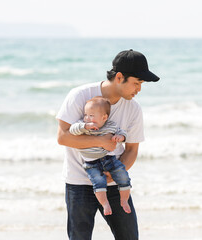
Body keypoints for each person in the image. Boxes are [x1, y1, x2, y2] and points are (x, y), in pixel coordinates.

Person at [56, 49, 160, 240]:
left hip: (115, 184)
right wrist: (100, 141)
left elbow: (131, 150)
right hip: (79, 182)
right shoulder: (80, 96)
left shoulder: (134, 109)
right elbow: (62, 137)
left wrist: (112, 176)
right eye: (136, 83)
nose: (139, 89)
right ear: (119, 77)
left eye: (141, 84)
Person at [69, 96, 131, 216]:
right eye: (86, 114)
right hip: (91, 163)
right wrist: (84, 126)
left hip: (109, 159)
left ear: (104, 117)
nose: (87, 118)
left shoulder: (111, 125)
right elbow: (72, 130)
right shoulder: (83, 126)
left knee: (123, 175)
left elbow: (122, 132)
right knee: (98, 182)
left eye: (91, 115)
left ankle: (124, 200)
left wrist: (121, 137)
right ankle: (105, 204)